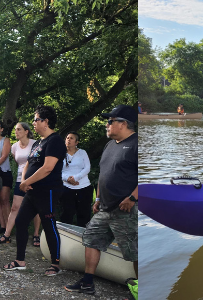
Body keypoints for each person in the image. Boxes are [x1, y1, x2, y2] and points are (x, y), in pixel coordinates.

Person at [64, 105, 141, 295]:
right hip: (105, 207)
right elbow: (103, 174)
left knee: (135, 252)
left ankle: (141, 290)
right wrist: (97, 197)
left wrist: (132, 198)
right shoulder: (109, 145)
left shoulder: (137, 144)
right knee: (91, 239)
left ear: (123, 124)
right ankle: (87, 282)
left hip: (126, 209)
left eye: (110, 121)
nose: (107, 125)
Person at [2, 105, 66, 277]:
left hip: (48, 191)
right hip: (31, 191)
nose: (34, 123)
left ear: (45, 122)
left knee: (48, 224)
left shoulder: (55, 141)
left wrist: (26, 182)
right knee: (21, 221)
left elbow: (48, 168)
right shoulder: (38, 142)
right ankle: (20, 261)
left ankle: (55, 264)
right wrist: (24, 181)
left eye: (36, 119)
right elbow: (28, 164)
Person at [0, 122, 41, 246]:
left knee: (37, 208)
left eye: (19, 129)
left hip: (34, 179)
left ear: (26, 131)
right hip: (20, 179)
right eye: (15, 130)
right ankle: (6, 235)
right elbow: (19, 163)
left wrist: (30, 178)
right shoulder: (14, 147)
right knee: (15, 207)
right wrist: (23, 178)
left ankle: (36, 234)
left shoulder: (35, 144)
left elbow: (38, 163)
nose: (16, 132)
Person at [60, 132, 92, 226]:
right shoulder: (60, 154)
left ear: (77, 142)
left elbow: (87, 168)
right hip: (67, 187)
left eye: (71, 138)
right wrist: (67, 178)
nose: (68, 140)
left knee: (84, 214)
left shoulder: (82, 152)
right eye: (67, 138)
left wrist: (75, 178)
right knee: (66, 214)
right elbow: (57, 170)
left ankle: (83, 237)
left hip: (84, 186)